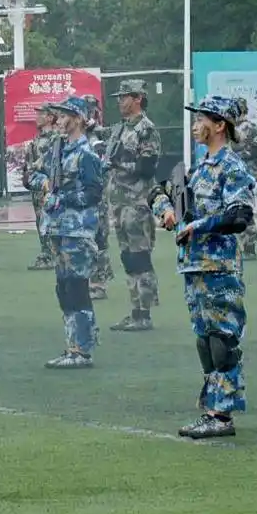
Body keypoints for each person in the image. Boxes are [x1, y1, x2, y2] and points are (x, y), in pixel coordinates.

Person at [150, 95, 254, 439]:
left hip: (218, 268)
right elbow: (159, 191)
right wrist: (166, 210)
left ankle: (221, 415)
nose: (195, 126)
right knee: (206, 343)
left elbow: (239, 215)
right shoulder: (199, 168)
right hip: (194, 267)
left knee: (222, 341)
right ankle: (212, 409)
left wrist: (199, 225)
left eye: (201, 120)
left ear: (220, 125)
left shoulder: (231, 167)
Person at [28, 96, 105, 369]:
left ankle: (82, 349)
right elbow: (32, 175)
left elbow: (94, 193)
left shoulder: (87, 153)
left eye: (64, 115)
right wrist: (46, 184)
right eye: (58, 115)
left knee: (76, 288)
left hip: (77, 230)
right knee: (63, 289)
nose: (58, 120)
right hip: (57, 228)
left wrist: (63, 197)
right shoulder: (57, 149)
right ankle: (72, 346)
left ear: (79, 119)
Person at [103, 79, 162, 331]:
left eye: (124, 96)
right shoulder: (120, 128)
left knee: (140, 257)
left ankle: (144, 313)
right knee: (128, 257)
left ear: (138, 98)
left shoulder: (146, 129)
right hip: (119, 202)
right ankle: (135, 310)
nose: (120, 101)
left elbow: (147, 167)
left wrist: (117, 164)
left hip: (136, 203)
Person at [82, 93, 114, 300]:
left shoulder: (103, 134)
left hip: (98, 196)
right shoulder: (78, 136)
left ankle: (99, 283)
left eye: (91, 108)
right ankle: (90, 279)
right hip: (82, 196)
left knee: (99, 239)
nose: (89, 112)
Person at [22, 105, 58, 270]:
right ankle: (45, 253)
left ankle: (51, 255)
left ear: (50, 117)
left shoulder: (55, 138)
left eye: (41, 114)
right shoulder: (37, 139)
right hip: (36, 187)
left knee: (48, 220)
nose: (37, 117)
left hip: (47, 187)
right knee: (40, 221)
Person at [233, 97, 257, 259]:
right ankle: (244, 244)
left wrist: (240, 156)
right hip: (234, 174)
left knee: (242, 207)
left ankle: (250, 246)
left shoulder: (250, 128)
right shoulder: (231, 128)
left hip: (246, 174)